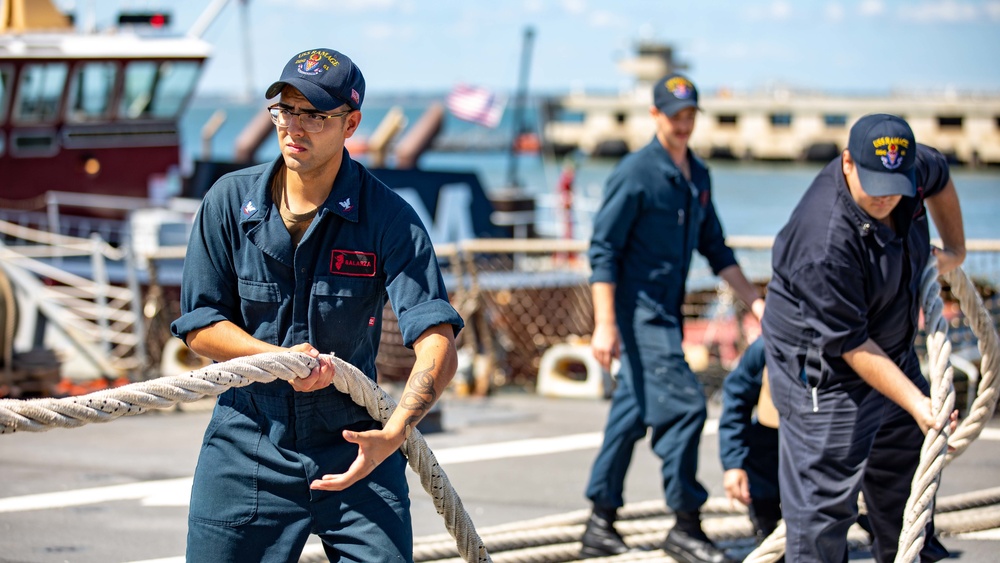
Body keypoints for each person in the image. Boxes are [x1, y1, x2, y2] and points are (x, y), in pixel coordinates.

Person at [170, 48, 463, 562]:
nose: (293, 128)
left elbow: (437, 342)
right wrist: (276, 360)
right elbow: (200, 325)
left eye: (315, 115)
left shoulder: (391, 219)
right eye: (285, 110)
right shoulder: (226, 203)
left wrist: (392, 435)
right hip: (248, 442)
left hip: (356, 442)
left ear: (351, 123)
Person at [761, 113, 964, 562]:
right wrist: (918, 402)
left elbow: (942, 176)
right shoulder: (824, 240)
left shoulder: (909, 173)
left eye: (897, 185)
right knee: (823, 513)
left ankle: (910, 553)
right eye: (874, 184)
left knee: (906, 476)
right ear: (848, 163)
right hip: (827, 372)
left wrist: (956, 249)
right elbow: (851, 344)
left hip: (890, 348)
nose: (886, 196)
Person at [581, 72, 764, 563]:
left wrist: (755, 301)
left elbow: (716, 247)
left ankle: (600, 521)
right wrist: (605, 323)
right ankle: (685, 524)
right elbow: (602, 250)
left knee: (633, 412)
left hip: (666, 313)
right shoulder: (636, 173)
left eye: (690, 115)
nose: (684, 124)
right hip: (638, 315)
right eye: (675, 115)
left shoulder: (697, 175)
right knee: (685, 407)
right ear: (655, 115)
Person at [717, 338, 781, 544]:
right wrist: (733, 464)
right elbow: (736, 400)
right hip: (775, 438)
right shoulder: (765, 348)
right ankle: (767, 528)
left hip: (839, 434)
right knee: (757, 447)